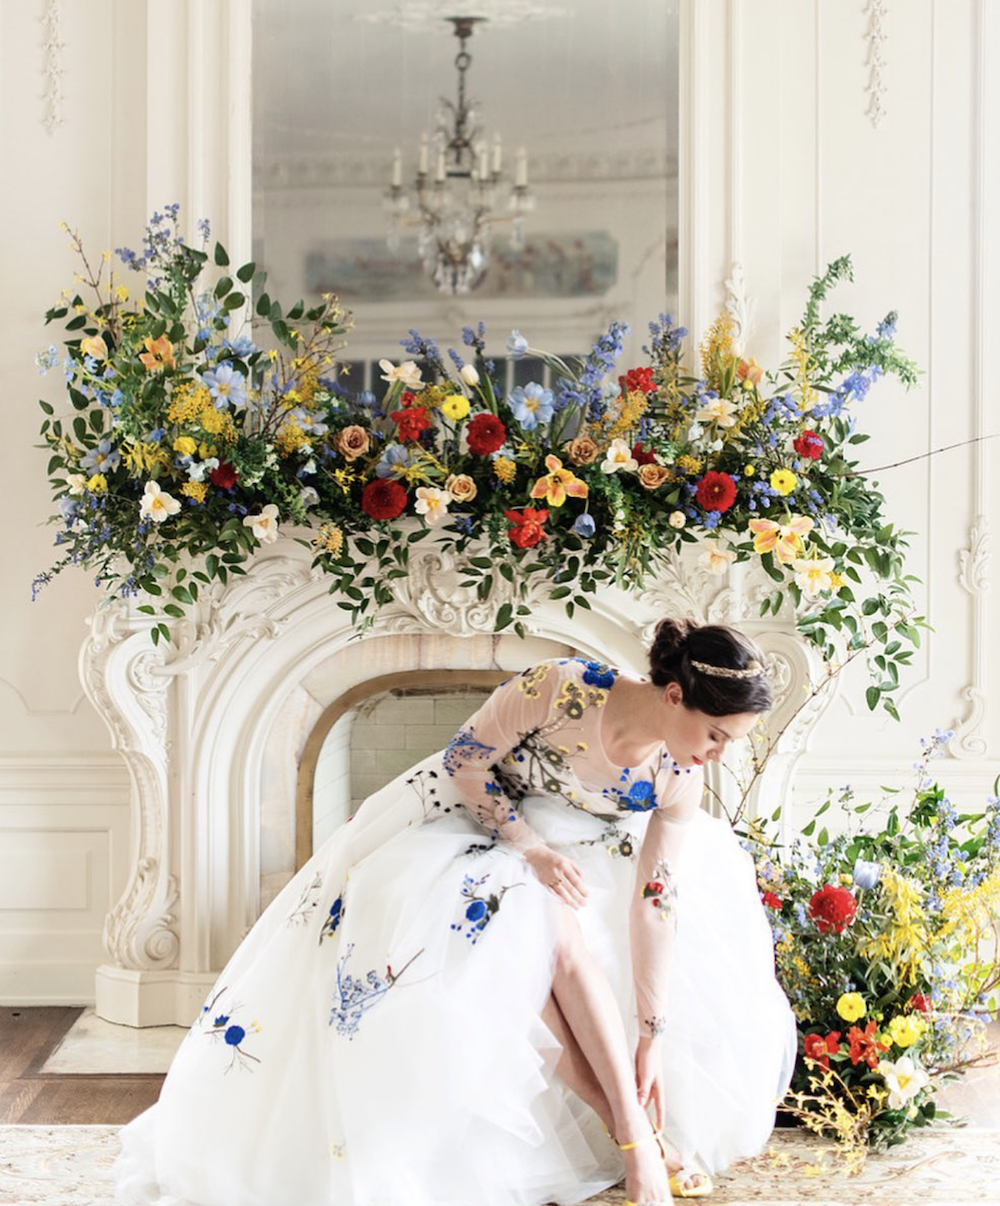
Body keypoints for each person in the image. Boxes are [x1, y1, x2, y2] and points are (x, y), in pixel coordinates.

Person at [115, 619, 797, 1206]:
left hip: (572, 853)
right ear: (675, 695)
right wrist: (528, 851)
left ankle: (631, 1133)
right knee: (539, 928)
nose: (718, 754)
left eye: (730, 743)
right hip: (469, 825)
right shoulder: (562, 688)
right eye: (716, 734)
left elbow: (656, 902)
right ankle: (635, 1139)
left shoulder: (678, 779)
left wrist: (653, 1030)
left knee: (552, 928)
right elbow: (464, 761)